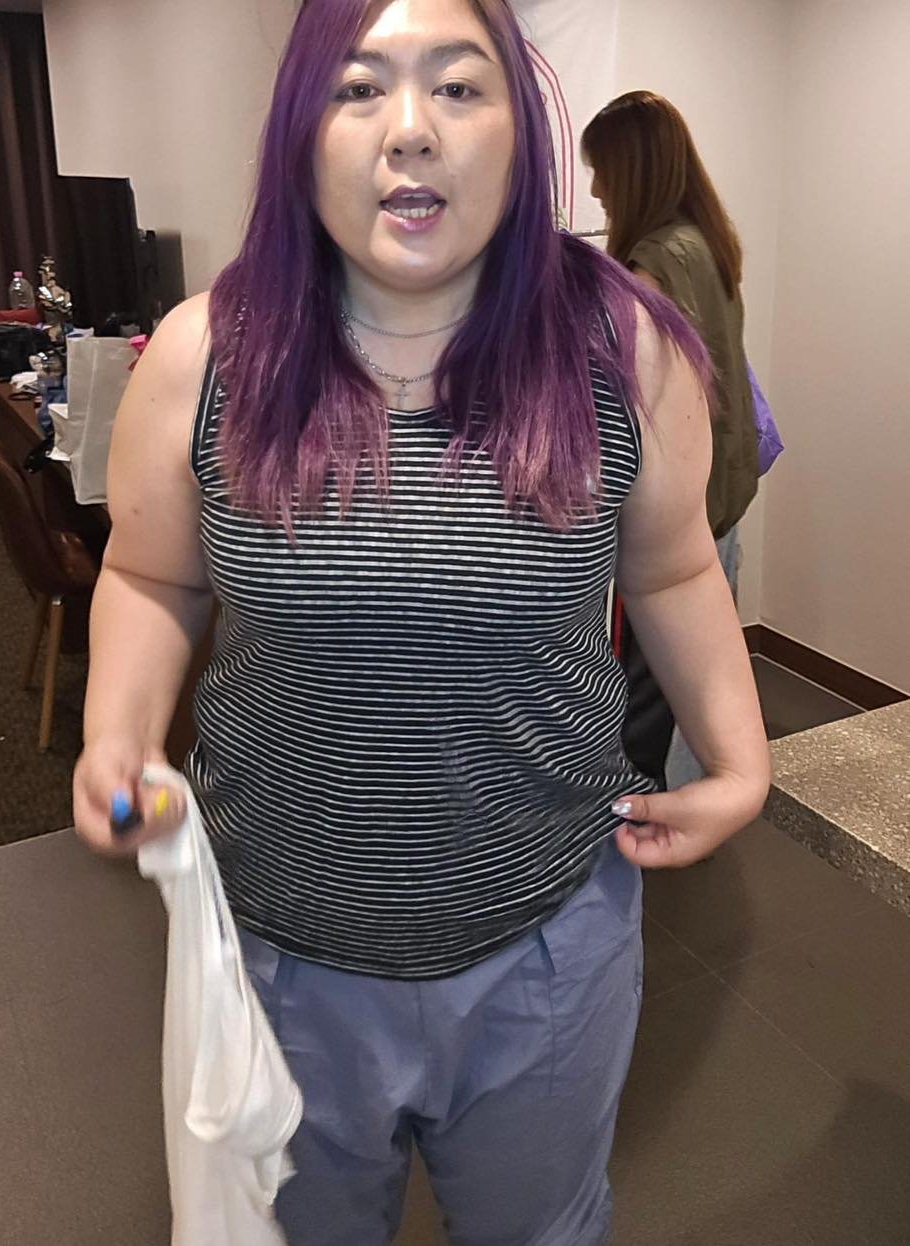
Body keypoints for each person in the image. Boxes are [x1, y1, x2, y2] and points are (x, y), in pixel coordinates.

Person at [73, 3, 769, 1243]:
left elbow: (671, 572)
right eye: (358, 89)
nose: (409, 129)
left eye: (457, 86)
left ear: (521, 130)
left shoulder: (626, 352)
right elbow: (150, 575)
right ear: (302, 130)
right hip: (281, 957)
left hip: (546, 945)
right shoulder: (203, 357)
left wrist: (741, 760)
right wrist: (116, 733)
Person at [581, 89, 761, 792]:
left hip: (675, 504)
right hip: (722, 491)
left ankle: (639, 812)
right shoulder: (709, 243)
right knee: (689, 672)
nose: (596, 189)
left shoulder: (653, 265)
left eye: (601, 171)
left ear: (630, 170)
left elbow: (628, 399)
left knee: (649, 684)